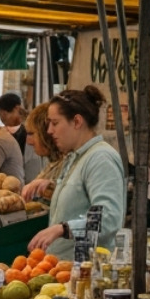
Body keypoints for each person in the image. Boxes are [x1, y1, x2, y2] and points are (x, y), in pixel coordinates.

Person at [26, 85, 126, 258]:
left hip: (87, 273)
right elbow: (79, 199)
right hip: (64, 270)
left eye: (55, 123)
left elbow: (108, 218)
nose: (50, 131)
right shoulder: (76, 157)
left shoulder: (101, 159)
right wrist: (52, 186)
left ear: (77, 122)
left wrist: (63, 229)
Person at [21, 105, 63, 196]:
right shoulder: (52, 163)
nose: (28, 141)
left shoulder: (66, 166)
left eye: (31, 134)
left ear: (46, 133)